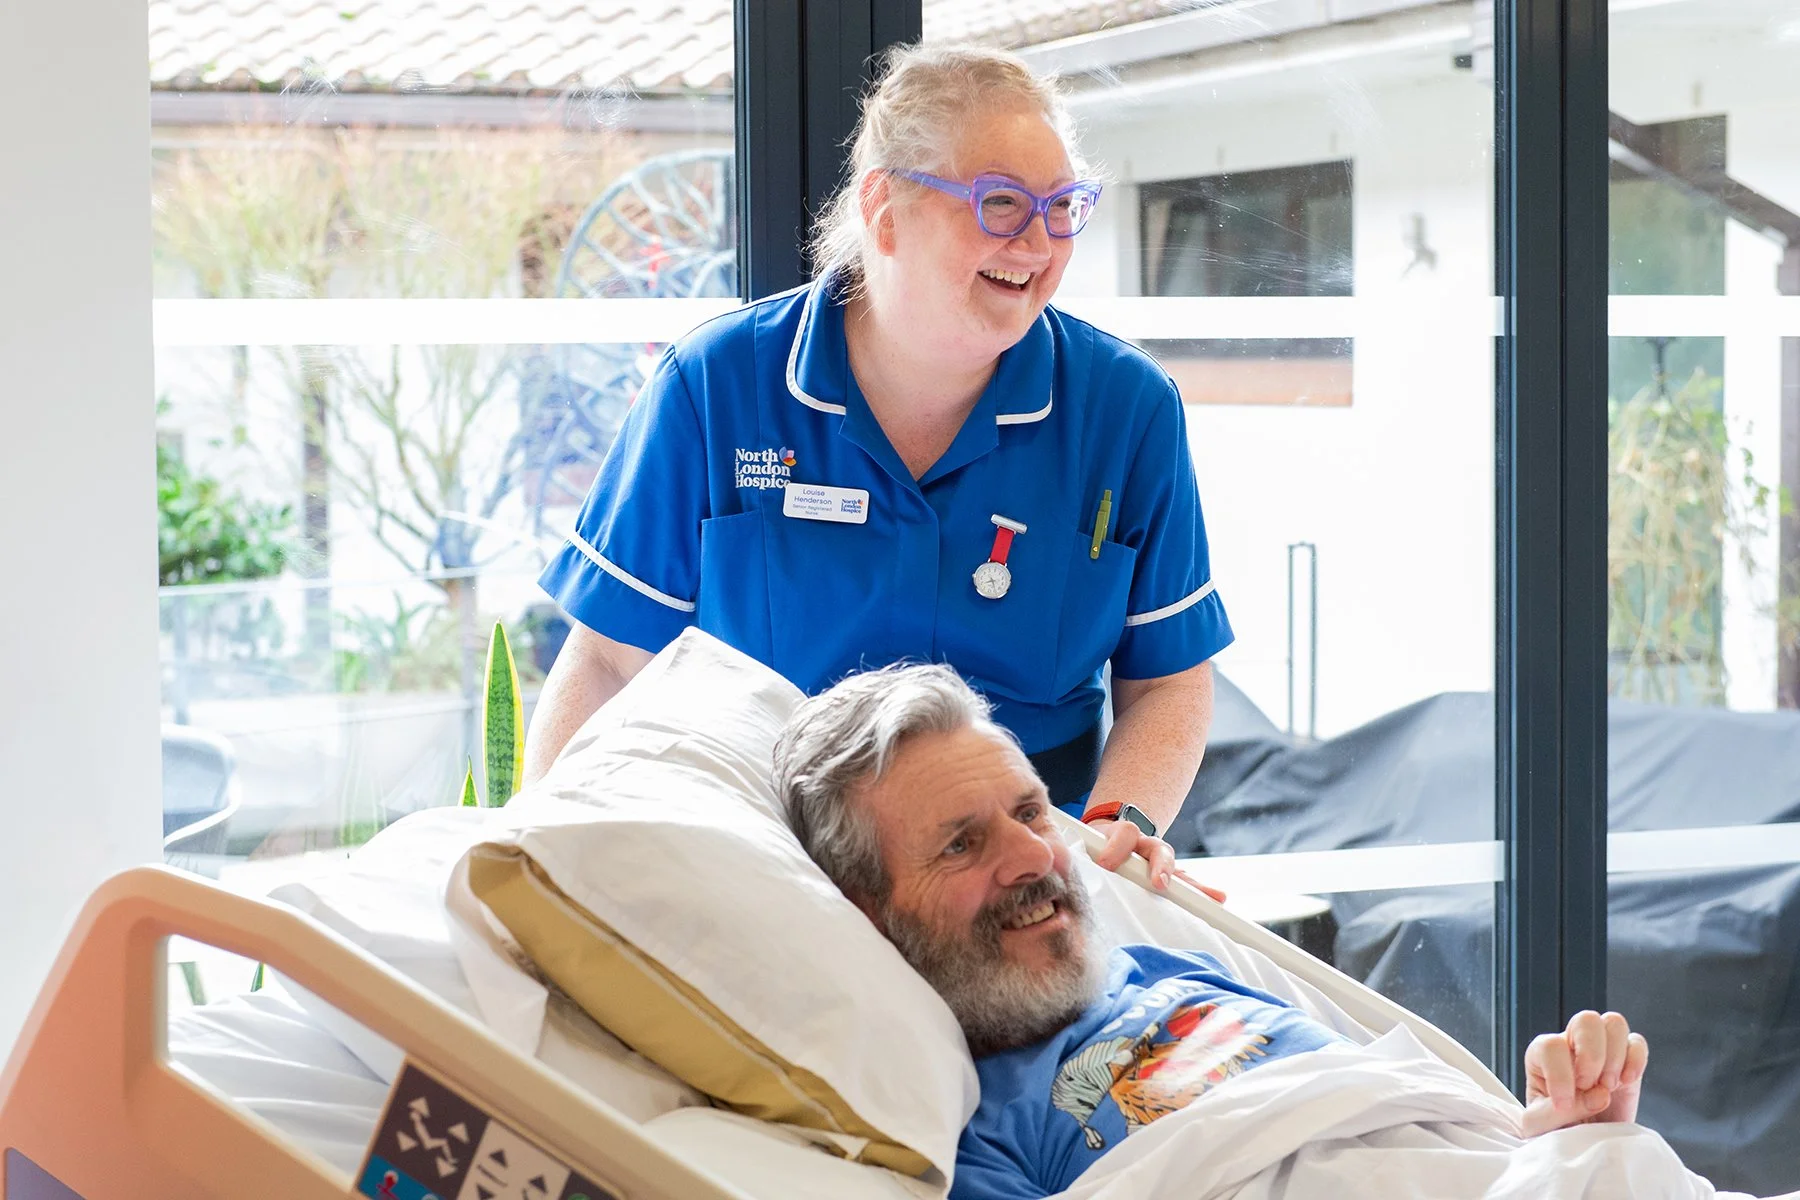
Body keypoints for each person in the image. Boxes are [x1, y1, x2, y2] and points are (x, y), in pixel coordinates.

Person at [523, 42, 1233, 888]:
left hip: (1021, 866)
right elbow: (608, 660)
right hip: (771, 853)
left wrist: (1118, 830)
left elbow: (1168, 682)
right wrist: (540, 862)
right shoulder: (717, 386)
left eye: (1063, 206)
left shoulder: (1126, 409)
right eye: (1001, 203)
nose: (1040, 242)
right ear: (886, 208)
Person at [769, 664, 1772, 1200]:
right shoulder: (964, 1121)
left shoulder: (1162, 965)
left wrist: (1554, 1139)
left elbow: (1383, 1130)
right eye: (959, 844)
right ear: (869, 908)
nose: (1033, 858)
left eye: (1032, 812)